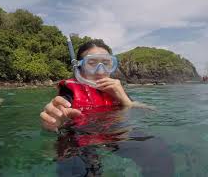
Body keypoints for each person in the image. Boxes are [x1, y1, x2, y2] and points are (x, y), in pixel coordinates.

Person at [40, 38, 174, 176]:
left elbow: (150, 111)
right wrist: (51, 122)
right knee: (80, 169)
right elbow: (56, 111)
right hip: (78, 137)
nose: (100, 71)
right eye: (92, 64)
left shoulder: (115, 90)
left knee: (155, 148)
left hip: (114, 133)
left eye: (106, 64)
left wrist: (124, 99)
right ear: (79, 68)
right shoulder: (69, 92)